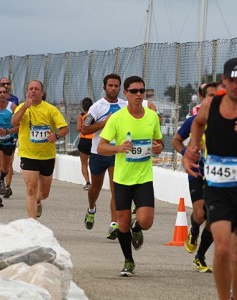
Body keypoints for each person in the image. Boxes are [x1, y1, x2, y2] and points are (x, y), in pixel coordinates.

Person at [183, 58, 237, 299]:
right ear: (223, 80)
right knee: (222, 248)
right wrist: (191, 148)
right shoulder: (210, 105)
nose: (235, 85)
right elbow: (198, 124)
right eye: (230, 80)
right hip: (218, 186)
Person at [98, 75, 163, 277]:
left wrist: (157, 148)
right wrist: (119, 148)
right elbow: (101, 147)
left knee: (146, 221)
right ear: (125, 93)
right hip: (123, 179)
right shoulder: (117, 118)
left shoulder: (152, 117)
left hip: (143, 177)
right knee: (122, 223)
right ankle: (128, 260)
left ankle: (138, 226)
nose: (138, 94)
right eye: (133, 91)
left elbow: (159, 145)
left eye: (141, 91)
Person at [172, 82, 217, 273]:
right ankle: (195, 230)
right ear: (203, 98)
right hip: (197, 172)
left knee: (215, 219)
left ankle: (200, 257)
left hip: (220, 176)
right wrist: (187, 152)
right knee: (200, 214)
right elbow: (176, 140)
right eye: (211, 96)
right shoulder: (194, 120)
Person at [12, 80, 69, 219]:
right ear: (27, 92)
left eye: (36, 89)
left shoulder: (51, 109)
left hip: (46, 156)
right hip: (28, 154)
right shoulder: (21, 107)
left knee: (44, 193)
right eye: (30, 89)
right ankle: (33, 223)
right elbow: (14, 122)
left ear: (42, 93)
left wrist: (56, 136)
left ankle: (38, 201)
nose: (33, 91)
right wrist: (24, 107)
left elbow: (65, 128)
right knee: (31, 189)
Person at [81, 74, 127, 240]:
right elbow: (85, 130)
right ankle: (91, 208)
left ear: (120, 88)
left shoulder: (125, 105)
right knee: (95, 188)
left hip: (117, 152)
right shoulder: (96, 107)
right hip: (98, 152)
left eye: (116, 86)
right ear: (105, 87)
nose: (113, 88)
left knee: (116, 188)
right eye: (110, 85)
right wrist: (106, 122)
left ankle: (113, 224)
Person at [76, 97, 93, 190]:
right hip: (93, 140)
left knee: (84, 163)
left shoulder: (81, 115)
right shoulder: (93, 114)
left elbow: (78, 129)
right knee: (93, 163)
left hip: (84, 140)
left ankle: (88, 182)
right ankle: (95, 182)